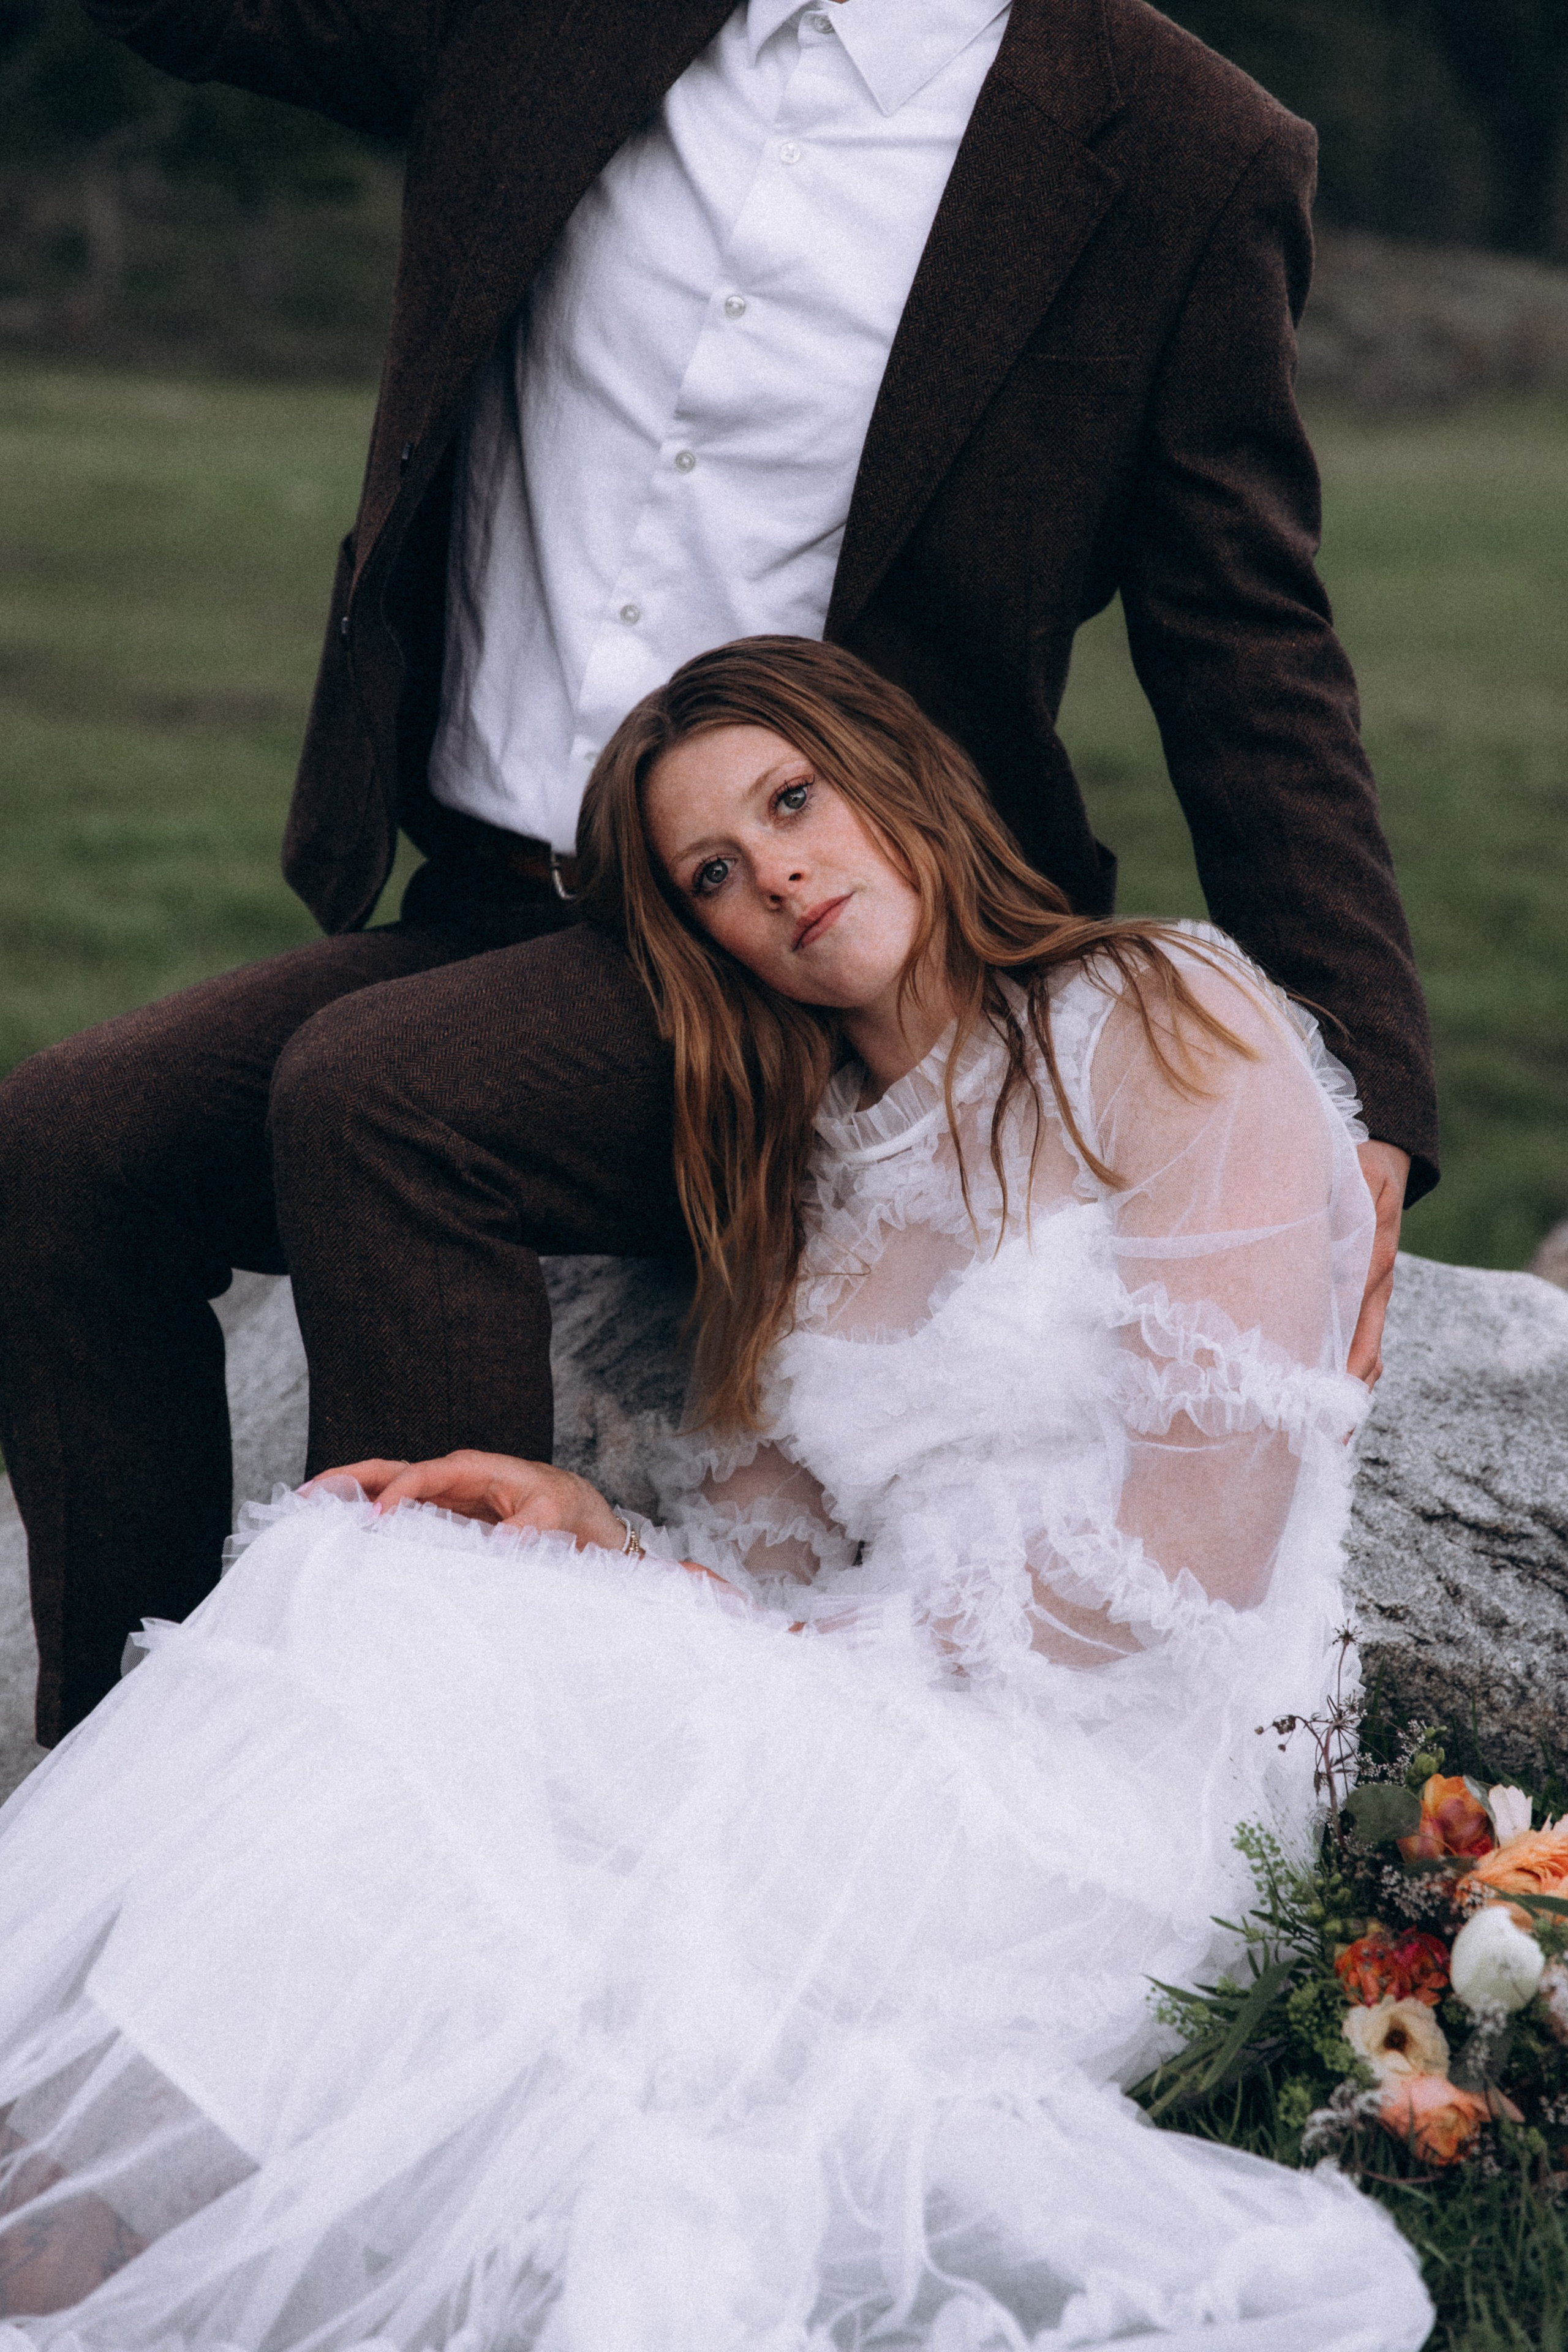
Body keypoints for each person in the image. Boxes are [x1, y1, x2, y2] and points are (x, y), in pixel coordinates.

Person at [0, 0, 1437, 1747]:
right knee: (66, 1146)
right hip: (494, 894)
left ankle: (428, 1788)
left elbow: (1244, 633)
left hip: (823, 958)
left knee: (385, 1105)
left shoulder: (1189, 149)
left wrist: (1362, 1068)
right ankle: (114, 1794)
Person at [0, 643, 1433, 2347]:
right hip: (900, 1728)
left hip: (1100, 1810)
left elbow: (1181, 1573)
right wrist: (604, 1547)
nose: (782, 879)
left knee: (398, 1636)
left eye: (793, 803)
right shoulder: (804, 1159)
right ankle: (68, 2224)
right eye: (714, 877)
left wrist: (779, 1659)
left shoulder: (1165, 1020)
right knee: (361, 1561)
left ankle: (70, 2225)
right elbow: (771, 1566)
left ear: (891, 777)